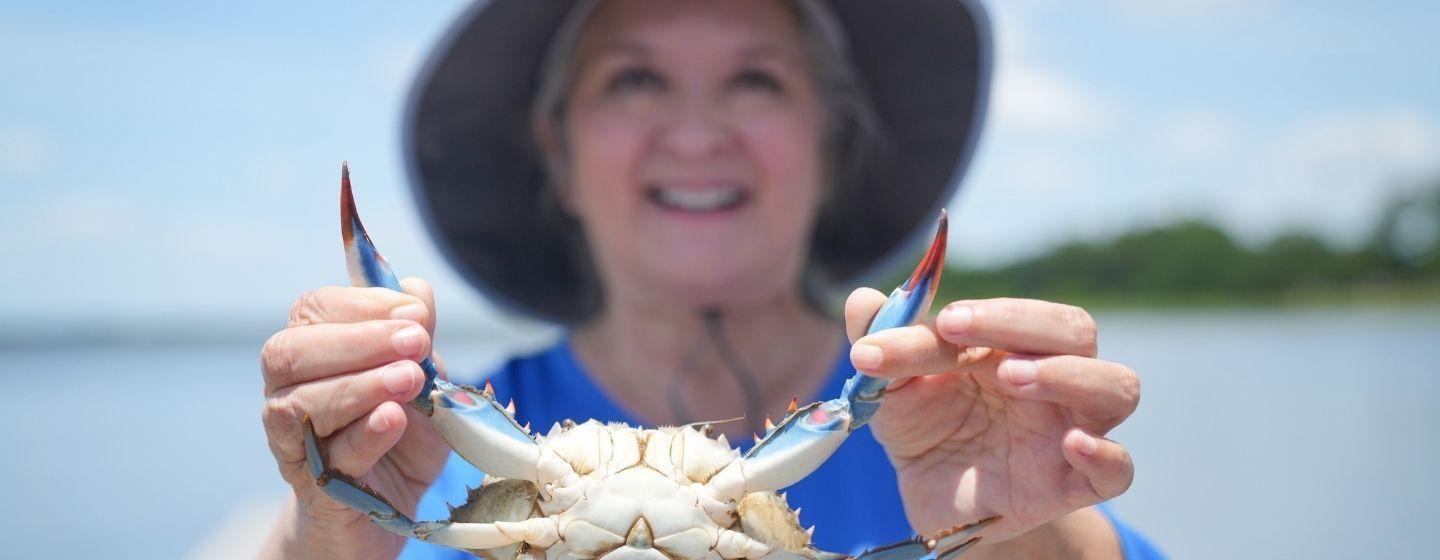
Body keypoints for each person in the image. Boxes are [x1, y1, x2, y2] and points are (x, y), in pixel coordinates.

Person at [259, 0, 1162, 558]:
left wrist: (1026, 542)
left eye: (757, 81)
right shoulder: (410, 457)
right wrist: (327, 543)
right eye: (634, 79)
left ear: (832, 141)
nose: (696, 134)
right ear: (557, 151)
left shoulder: (946, 428)